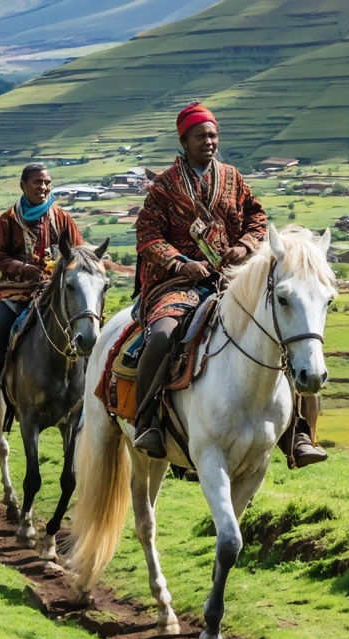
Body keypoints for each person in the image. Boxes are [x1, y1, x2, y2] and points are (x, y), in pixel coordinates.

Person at [133, 102, 327, 467]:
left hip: (230, 280)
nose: (208, 141)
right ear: (184, 140)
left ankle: (298, 432)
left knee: (280, 335)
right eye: (200, 136)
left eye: (213, 135)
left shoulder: (233, 178)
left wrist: (246, 245)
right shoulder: (162, 188)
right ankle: (148, 422)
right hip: (177, 283)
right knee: (161, 337)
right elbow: (147, 235)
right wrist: (180, 263)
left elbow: (257, 217)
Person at [0, 163, 85, 413]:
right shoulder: (7, 220)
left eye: (47, 183)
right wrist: (22, 267)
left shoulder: (62, 218)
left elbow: (78, 251)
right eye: (37, 182)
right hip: (15, 291)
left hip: (54, 291)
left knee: (86, 322)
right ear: (22, 185)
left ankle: (92, 383)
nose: (43, 187)